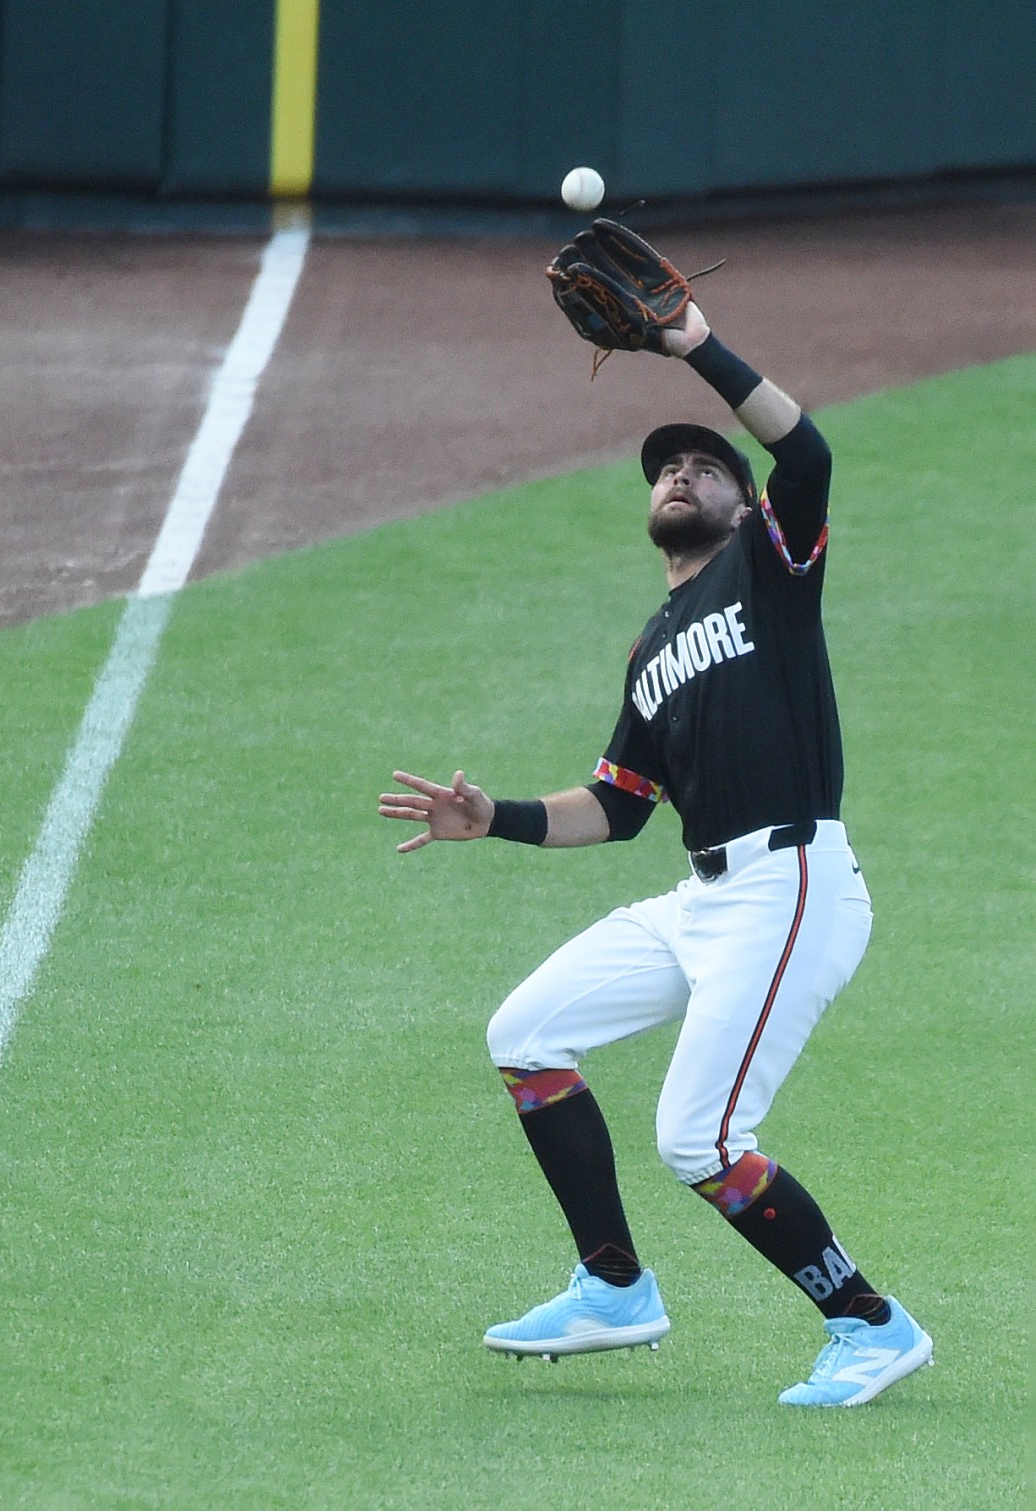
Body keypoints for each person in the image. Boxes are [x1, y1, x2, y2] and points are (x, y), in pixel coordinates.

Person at [379, 295, 931, 1407]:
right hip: (703, 898)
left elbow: (805, 448)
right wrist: (494, 817)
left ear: (740, 510)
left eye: (702, 467)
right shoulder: (652, 644)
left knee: (699, 1134)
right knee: (525, 1034)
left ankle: (868, 1322)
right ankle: (613, 1285)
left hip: (794, 885)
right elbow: (616, 804)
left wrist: (692, 348)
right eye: (665, 466)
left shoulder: (770, 572)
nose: (678, 473)